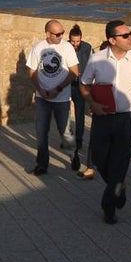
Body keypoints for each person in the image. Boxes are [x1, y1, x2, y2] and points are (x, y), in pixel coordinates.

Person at [79, 20, 131, 224]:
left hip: (127, 118)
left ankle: (109, 206)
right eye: (125, 35)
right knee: (99, 158)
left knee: (121, 160)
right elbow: (84, 85)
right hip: (102, 117)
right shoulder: (96, 59)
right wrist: (92, 103)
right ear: (112, 40)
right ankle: (118, 187)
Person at [27, 19, 79, 175]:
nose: (60, 36)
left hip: (61, 98)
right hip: (42, 98)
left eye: (62, 33)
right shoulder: (38, 47)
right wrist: (40, 90)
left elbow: (74, 72)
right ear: (48, 33)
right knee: (41, 132)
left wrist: (58, 88)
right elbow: (32, 72)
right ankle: (42, 164)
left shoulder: (67, 47)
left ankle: (72, 154)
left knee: (65, 132)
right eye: (57, 34)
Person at [68, 25, 94, 174]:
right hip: (66, 84)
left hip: (80, 85)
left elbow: (92, 65)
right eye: (73, 41)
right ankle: (67, 138)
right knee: (64, 113)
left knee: (79, 114)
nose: (75, 44)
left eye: (77, 42)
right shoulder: (65, 46)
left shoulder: (88, 48)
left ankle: (78, 140)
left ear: (81, 39)